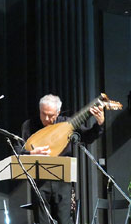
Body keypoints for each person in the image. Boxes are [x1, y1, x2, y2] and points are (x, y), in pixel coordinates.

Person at [17, 94, 104, 224]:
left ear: (58, 112)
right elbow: (18, 150)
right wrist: (31, 152)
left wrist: (99, 124)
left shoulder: (67, 124)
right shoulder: (29, 126)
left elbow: (88, 137)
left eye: (51, 115)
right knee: (41, 221)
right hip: (40, 182)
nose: (46, 118)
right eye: (43, 114)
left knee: (65, 221)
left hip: (63, 181)